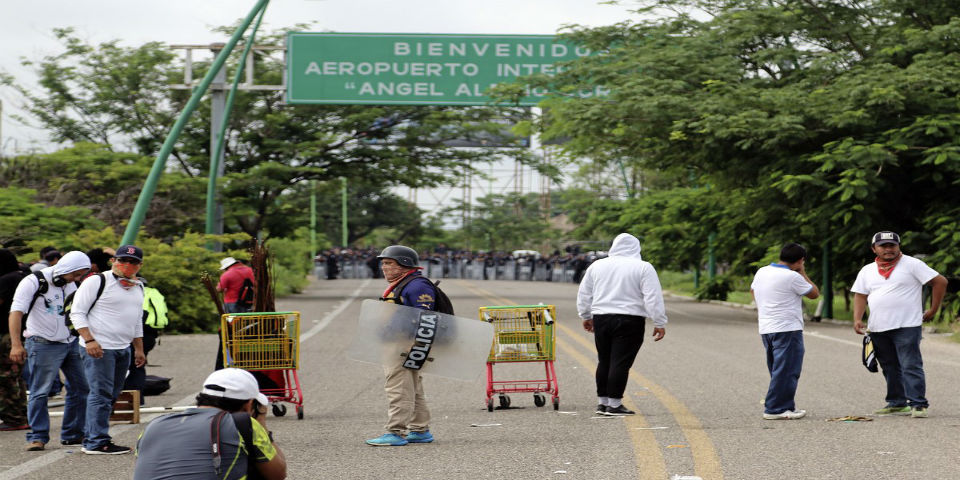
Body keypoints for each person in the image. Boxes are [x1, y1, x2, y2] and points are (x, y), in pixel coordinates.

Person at [851, 231, 947, 418]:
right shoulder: (867, 270)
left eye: (892, 245)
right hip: (878, 326)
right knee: (889, 365)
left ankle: (918, 404)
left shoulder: (912, 264)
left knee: (910, 364)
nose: (888, 249)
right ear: (874, 248)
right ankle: (897, 402)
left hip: (907, 324)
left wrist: (933, 310)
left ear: (898, 246)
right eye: (883, 246)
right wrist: (857, 318)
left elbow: (940, 282)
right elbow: (861, 294)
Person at [134, 368, 286, 479]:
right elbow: (278, 474)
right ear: (249, 405)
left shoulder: (154, 426)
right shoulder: (243, 424)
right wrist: (261, 424)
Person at [8, 251, 91, 450]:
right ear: (65, 269)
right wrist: (16, 344)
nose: (77, 279)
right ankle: (37, 436)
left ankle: (73, 433)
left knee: (81, 388)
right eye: (75, 274)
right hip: (42, 343)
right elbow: (16, 312)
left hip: (71, 341)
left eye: (81, 275)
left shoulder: (72, 283)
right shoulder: (33, 281)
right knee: (40, 391)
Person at [577, 233, 667, 416]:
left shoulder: (597, 266)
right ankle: (615, 405)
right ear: (637, 248)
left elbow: (584, 293)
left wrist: (585, 315)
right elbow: (652, 296)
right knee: (620, 362)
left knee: (605, 360)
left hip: (601, 318)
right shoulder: (643, 267)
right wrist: (659, 321)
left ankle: (602, 403)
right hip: (630, 320)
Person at [70, 244, 146, 454]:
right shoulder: (97, 281)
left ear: (140, 265)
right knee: (100, 394)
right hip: (100, 348)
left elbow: (137, 319)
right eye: (122, 260)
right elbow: (77, 313)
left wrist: (138, 349)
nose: (127, 265)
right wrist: (89, 341)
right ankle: (96, 441)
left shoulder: (138, 286)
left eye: (133, 262)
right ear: (113, 261)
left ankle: (91, 435)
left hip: (123, 348)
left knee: (111, 394)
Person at [366, 245, 437, 446]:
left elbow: (425, 318)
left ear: (405, 264)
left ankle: (395, 432)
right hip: (399, 343)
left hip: (404, 346)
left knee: (398, 388)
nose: (384, 267)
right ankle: (420, 430)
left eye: (389, 263)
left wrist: (415, 345)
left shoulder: (416, 286)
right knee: (413, 388)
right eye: (383, 263)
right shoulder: (403, 283)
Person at [750, 243, 820, 420]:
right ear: (799, 261)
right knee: (787, 369)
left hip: (766, 327)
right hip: (787, 328)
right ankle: (776, 408)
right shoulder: (791, 277)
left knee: (777, 368)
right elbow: (814, 293)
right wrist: (802, 271)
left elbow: (753, 291)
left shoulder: (762, 271)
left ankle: (785, 405)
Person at [123, 277, 168, 404]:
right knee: (137, 367)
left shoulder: (134, 294)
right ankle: (138, 401)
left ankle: (129, 402)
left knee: (126, 367)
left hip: (135, 334)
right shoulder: (155, 293)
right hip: (151, 335)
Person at [0, 248, 29, 431]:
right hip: (23, 333)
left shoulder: (6, 280)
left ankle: (14, 418)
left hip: (5, 335)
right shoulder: (25, 276)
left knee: (5, 377)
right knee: (17, 377)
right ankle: (21, 415)